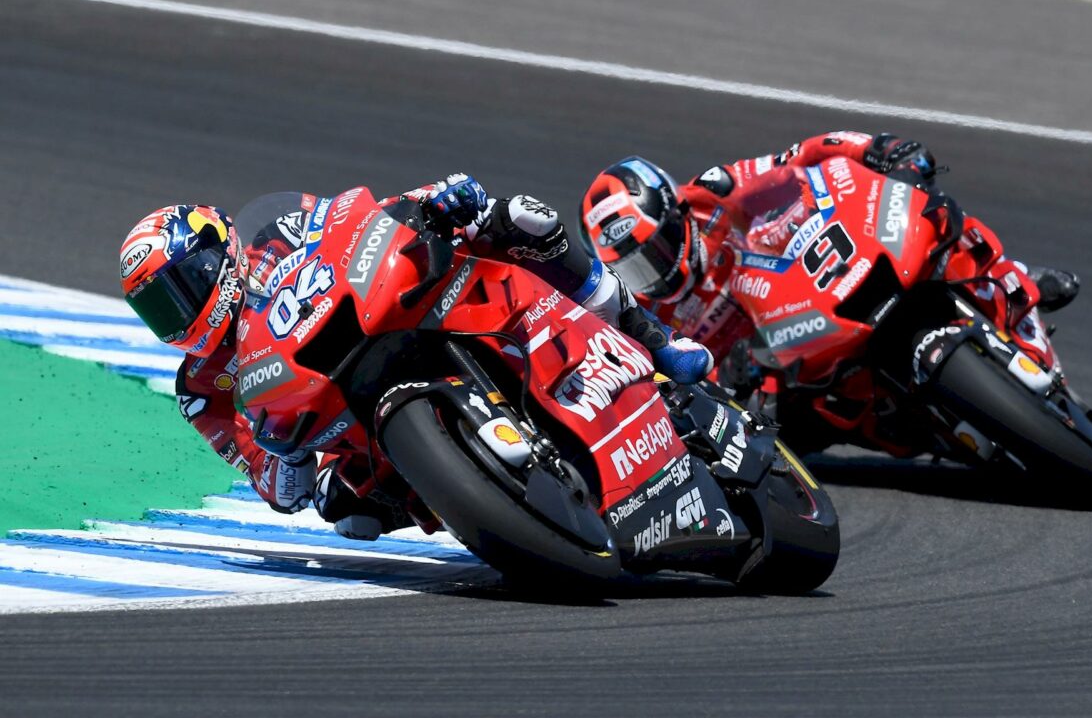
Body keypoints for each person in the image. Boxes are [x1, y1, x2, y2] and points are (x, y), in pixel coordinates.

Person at [118, 178, 712, 540]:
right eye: (159, 312)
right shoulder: (202, 389)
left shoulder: (274, 234)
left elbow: (352, 225)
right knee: (344, 510)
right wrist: (286, 457)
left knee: (521, 219)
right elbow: (271, 482)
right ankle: (489, 510)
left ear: (214, 252)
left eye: (179, 291)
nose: (178, 316)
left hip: (388, 310)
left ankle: (656, 342)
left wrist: (431, 199)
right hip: (343, 416)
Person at [578, 131, 1081, 367]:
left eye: (656, 253)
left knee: (936, 219)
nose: (656, 275)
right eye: (637, 269)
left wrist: (876, 151)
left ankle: (1014, 279)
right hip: (788, 374)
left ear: (675, 214)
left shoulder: (714, 192)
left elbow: (803, 158)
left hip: (821, 285)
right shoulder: (644, 314)